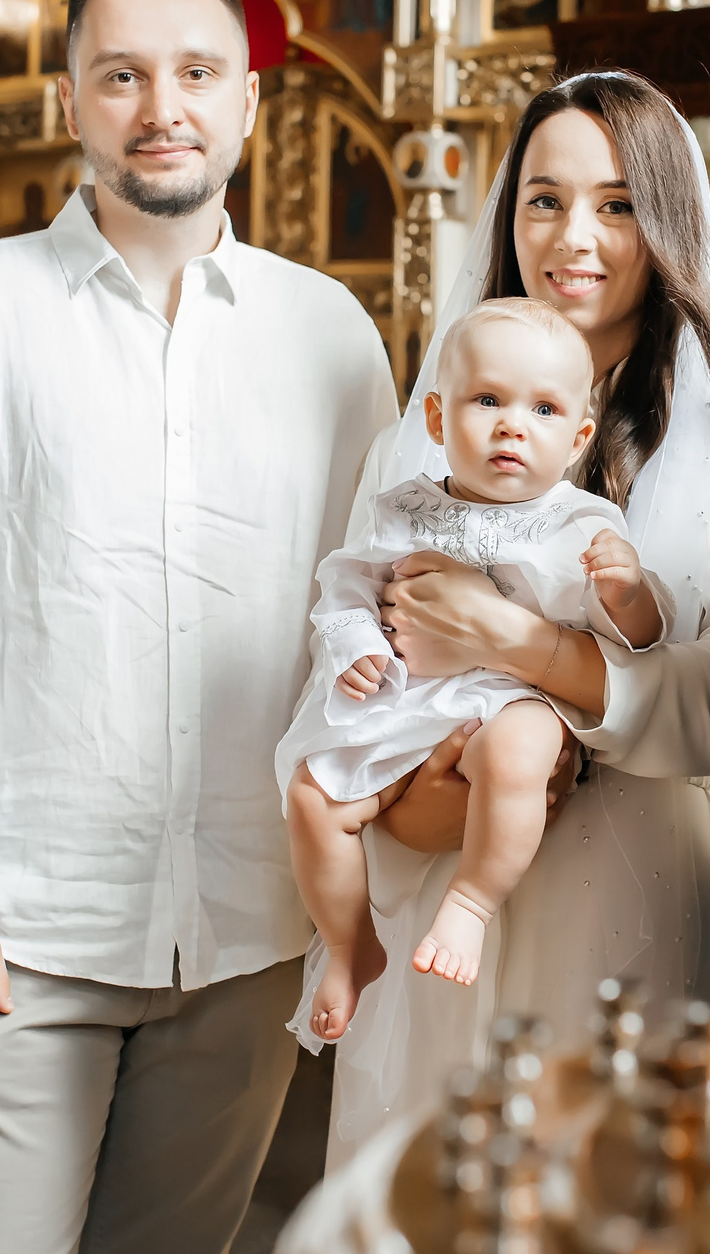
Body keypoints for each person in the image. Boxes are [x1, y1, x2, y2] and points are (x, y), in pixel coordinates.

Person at [0, 0, 395, 1254]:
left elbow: (363, 617)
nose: (160, 105)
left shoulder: (331, 336)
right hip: (15, 930)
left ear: (248, 102)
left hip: (247, 931)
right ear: (70, 100)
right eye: (121, 74)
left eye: (194, 72)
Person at [326, 68, 710, 1162]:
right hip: (434, 884)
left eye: (618, 203)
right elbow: (349, 663)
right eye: (544, 199)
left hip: (619, 873)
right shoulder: (416, 441)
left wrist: (524, 646)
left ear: (670, 219)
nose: (572, 235)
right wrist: (405, 808)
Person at [278, 298, 671, 1038]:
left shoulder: (580, 521)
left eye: (544, 409)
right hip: (406, 700)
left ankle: (471, 901)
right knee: (311, 796)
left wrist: (627, 591)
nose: (512, 424)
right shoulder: (403, 508)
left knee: (522, 746)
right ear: (435, 418)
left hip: (508, 696)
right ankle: (348, 944)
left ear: (579, 435)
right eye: (487, 399)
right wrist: (356, 642)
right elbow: (345, 587)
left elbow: (641, 642)